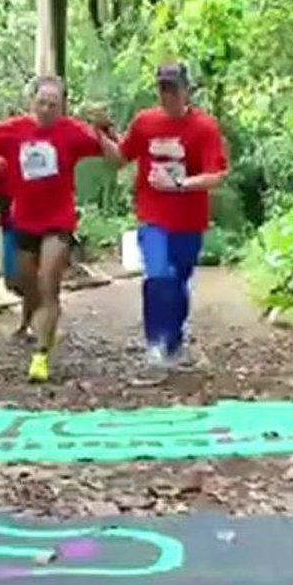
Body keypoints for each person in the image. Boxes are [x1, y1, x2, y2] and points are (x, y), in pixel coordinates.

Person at [0, 75, 113, 382]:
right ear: (33, 102)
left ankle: (41, 355)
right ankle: (41, 314)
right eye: (42, 102)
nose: (46, 109)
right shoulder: (12, 131)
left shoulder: (73, 132)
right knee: (21, 281)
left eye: (53, 104)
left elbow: (111, 153)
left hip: (58, 221)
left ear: (62, 107)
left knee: (48, 282)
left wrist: (106, 131)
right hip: (24, 221)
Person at [97, 62, 229, 369]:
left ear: (186, 90)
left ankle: (173, 340)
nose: (167, 94)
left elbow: (217, 175)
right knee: (158, 276)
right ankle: (155, 342)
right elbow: (120, 158)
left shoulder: (204, 127)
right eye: (162, 88)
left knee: (179, 282)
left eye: (173, 88)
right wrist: (101, 135)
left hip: (189, 220)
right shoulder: (145, 122)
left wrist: (181, 184)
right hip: (153, 215)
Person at [0, 159, 34, 340]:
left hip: (35, 225)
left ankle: (27, 323)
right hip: (11, 225)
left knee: (29, 276)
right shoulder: (4, 164)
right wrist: (10, 206)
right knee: (12, 280)